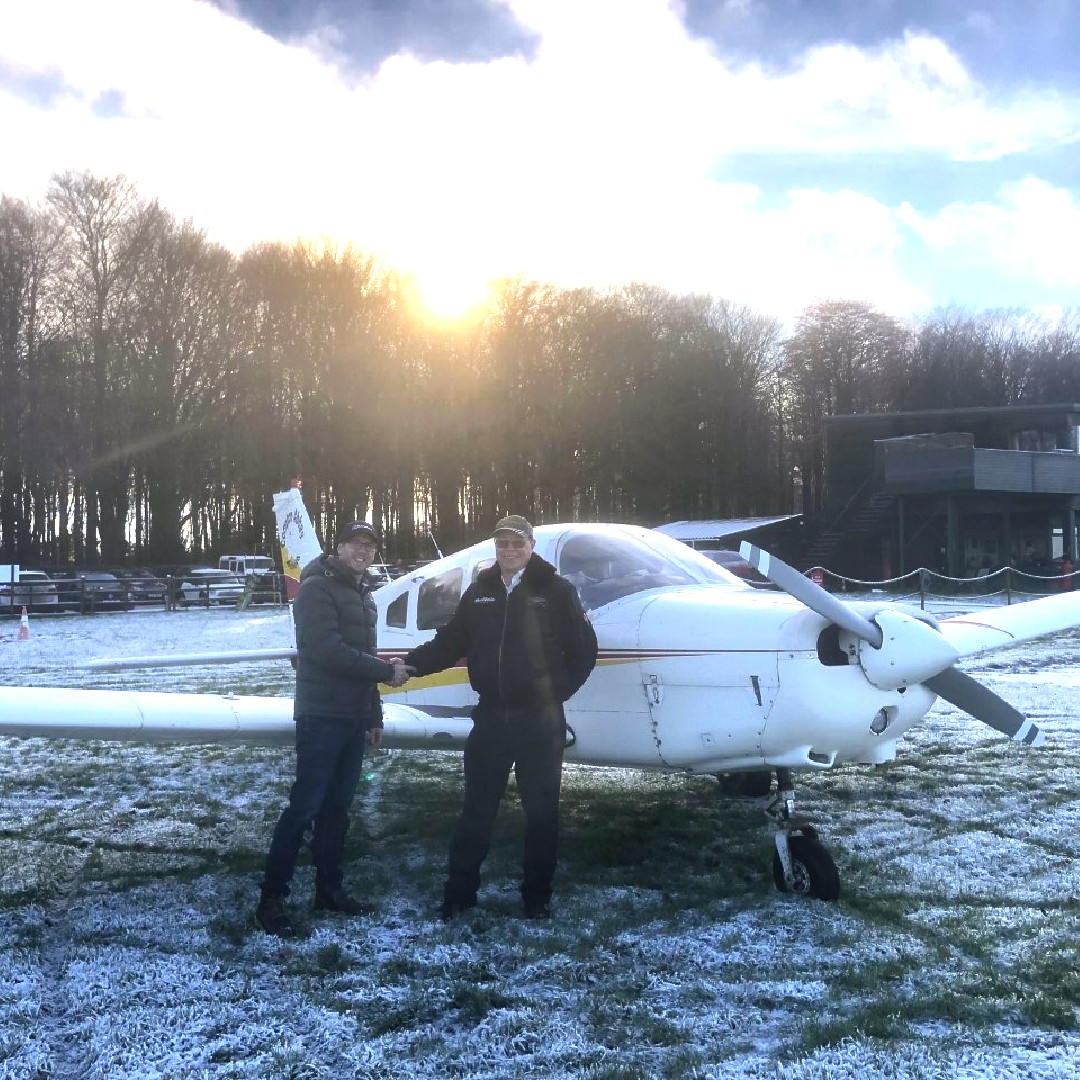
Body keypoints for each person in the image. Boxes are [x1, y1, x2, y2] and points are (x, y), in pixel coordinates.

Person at [404, 515, 598, 921]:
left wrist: (555, 693)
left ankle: (536, 899)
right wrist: (409, 665)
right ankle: (458, 896)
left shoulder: (557, 590)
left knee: (542, 813)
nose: (509, 551)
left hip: (540, 722)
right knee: (476, 809)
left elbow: (584, 652)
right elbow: (451, 641)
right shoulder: (480, 591)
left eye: (517, 544)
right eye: (502, 545)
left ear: (531, 545)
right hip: (491, 717)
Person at [255, 520, 409, 938]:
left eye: (369, 545)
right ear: (338, 547)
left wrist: (374, 713)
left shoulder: (364, 596)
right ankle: (272, 899)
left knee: (338, 809)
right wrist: (386, 672)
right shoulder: (316, 588)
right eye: (354, 543)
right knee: (303, 808)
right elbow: (324, 650)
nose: (362, 551)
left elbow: (363, 654)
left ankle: (329, 890)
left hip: (354, 715)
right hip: (322, 714)